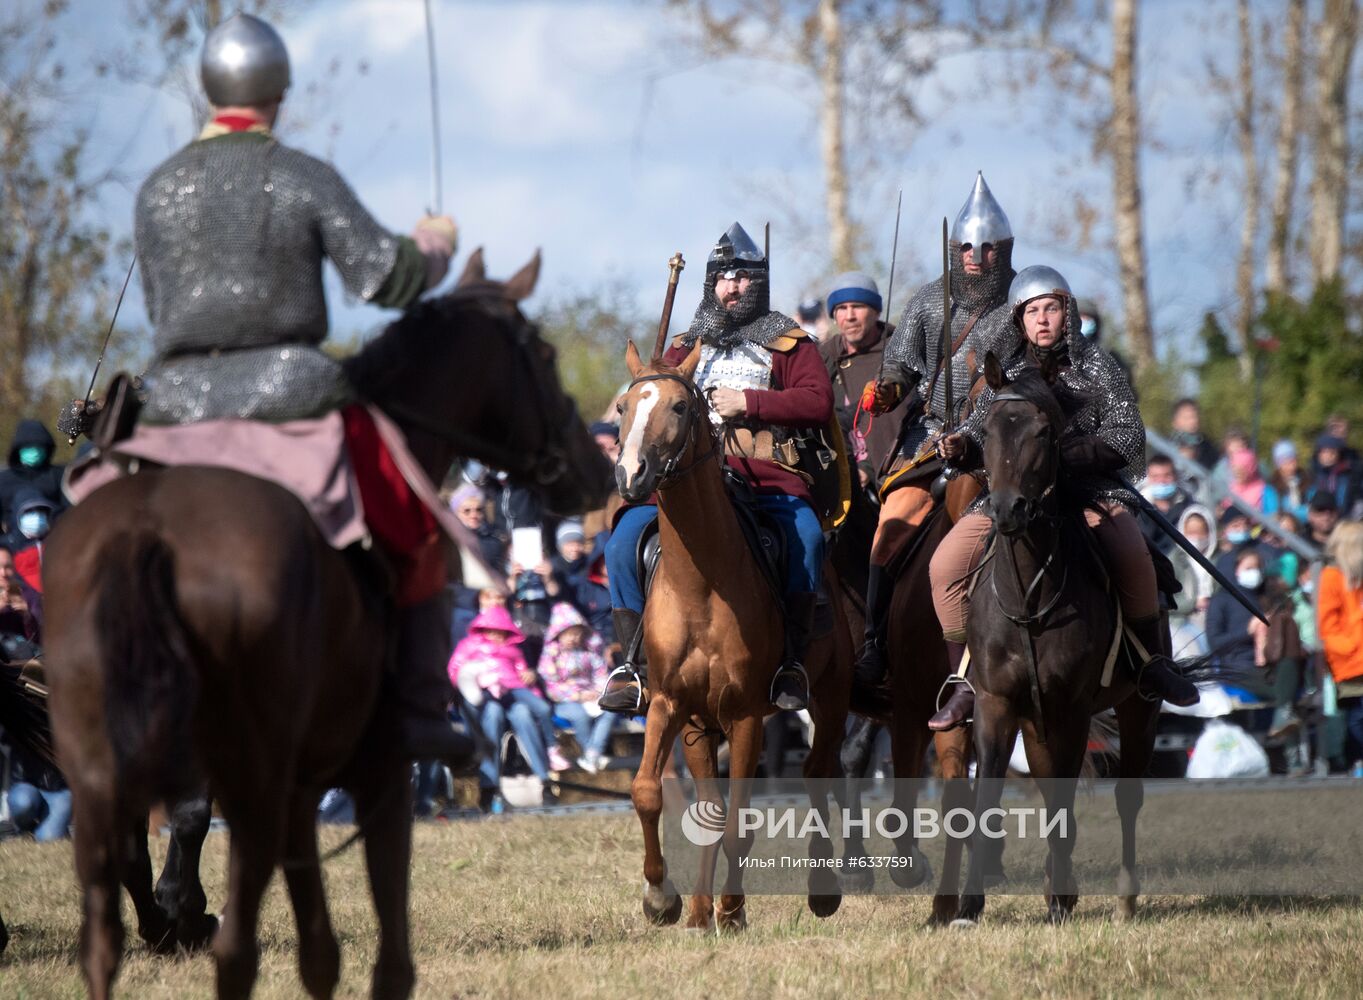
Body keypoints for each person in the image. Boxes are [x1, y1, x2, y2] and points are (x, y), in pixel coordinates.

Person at [62, 14, 467, 763]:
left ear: (210, 89)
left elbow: (158, 305)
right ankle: (417, 707)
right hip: (292, 390)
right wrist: (435, 242)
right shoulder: (300, 173)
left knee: (86, 509)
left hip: (171, 400)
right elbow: (387, 276)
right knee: (412, 513)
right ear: (279, 88)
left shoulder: (158, 188)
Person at [926, 265, 1199, 730]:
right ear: (1020, 320)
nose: (1043, 319)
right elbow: (981, 434)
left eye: (1051, 307)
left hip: (1089, 491)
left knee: (1130, 551)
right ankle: (964, 682)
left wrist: (1065, 456)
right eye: (1032, 311)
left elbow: (1128, 435)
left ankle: (1151, 663)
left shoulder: (1096, 365)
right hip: (1013, 497)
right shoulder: (1006, 373)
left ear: (1066, 312)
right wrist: (961, 445)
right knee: (944, 566)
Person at [602, 221, 834, 713]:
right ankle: (632, 664)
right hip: (684, 485)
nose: (733, 286)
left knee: (808, 538)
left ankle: (790, 659)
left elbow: (817, 402)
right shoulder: (685, 347)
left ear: (759, 282)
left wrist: (749, 402)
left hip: (764, 475)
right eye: (724, 277)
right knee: (622, 543)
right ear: (711, 284)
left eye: (743, 276)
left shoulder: (789, 343)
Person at [855, 172, 1019, 690]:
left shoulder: (1022, 305)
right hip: (929, 441)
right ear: (954, 249)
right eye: (966, 246)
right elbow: (902, 365)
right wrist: (888, 390)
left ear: (1003, 250)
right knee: (886, 536)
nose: (975, 256)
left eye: (986, 247)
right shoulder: (930, 301)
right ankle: (875, 645)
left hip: (1000, 445)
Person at [449, 605, 569, 793]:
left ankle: (544, 780)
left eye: (502, 632)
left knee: (524, 715)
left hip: (512, 698)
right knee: (493, 713)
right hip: (484, 702)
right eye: (493, 631)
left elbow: (524, 681)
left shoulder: (513, 650)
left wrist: (531, 683)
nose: (497, 636)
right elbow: (456, 670)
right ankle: (489, 787)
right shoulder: (469, 646)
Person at [817, 271, 898, 489]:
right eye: (841, 308)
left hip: (896, 472)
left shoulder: (900, 352)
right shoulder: (822, 357)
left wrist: (868, 469)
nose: (850, 316)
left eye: (858, 306)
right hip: (838, 474)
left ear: (876, 311)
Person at [538, 602, 615, 772]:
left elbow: (601, 674)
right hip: (565, 702)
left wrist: (598, 692)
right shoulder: (552, 655)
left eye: (577, 634)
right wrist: (577, 696)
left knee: (610, 711)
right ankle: (589, 751)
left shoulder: (589, 652)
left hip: (592, 696)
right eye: (569, 634)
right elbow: (551, 686)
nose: (573, 638)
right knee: (579, 715)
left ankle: (593, 751)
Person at [1318, 521, 1363, 761]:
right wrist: (1350, 648)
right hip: (1351, 661)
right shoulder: (1333, 576)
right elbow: (1328, 625)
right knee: (1357, 716)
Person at [0, 419, 65, 534]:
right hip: (12, 543)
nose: (34, 451)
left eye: (39, 446)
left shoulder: (58, 475)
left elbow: (68, 509)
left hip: (54, 539)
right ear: (18, 449)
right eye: (29, 446)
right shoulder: (4, 480)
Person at [1168, 504, 1216, 657]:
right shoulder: (1174, 560)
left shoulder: (1218, 560)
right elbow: (1167, 599)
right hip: (1181, 622)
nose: (1196, 538)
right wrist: (1192, 604)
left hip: (1212, 620)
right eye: (1191, 533)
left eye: (1200, 532)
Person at [5, 744, 71, 841]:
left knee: (47, 840)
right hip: (26, 784)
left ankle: (58, 828)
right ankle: (25, 830)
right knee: (22, 803)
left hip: (60, 790)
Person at [1138, 453, 1192, 555]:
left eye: (1167, 475)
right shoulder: (1137, 507)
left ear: (1175, 476)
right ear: (1148, 477)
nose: (1161, 481)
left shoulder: (1188, 506)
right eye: (1156, 477)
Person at [1308, 434, 1359, 519]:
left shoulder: (1349, 474)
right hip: (1320, 520)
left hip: (1345, 518)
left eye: (1331, 451)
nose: (1328, 455)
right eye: (1324, 451)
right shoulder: (1311, 474)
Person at [1169, 398, 1221, 472]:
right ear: (1175, 423)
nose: (1193, 421)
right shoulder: (1165, 447)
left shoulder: (1208, 447)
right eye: (1187, 418)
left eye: (1195, 416)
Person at [1226, 445, 1279, 517]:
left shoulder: (1266, 491)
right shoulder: (1231, 490)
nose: (1237, 474)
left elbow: (1274, 517)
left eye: (1241, 470)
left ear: (1250, 469)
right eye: (1235, 470)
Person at [1270, 439, 1309, 523]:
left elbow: (1312, 510)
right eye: (1285, 460)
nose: (1290, 464)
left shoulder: (1307, 481)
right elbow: (1271, 513)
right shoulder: (1271, 487)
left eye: (1292, 459)